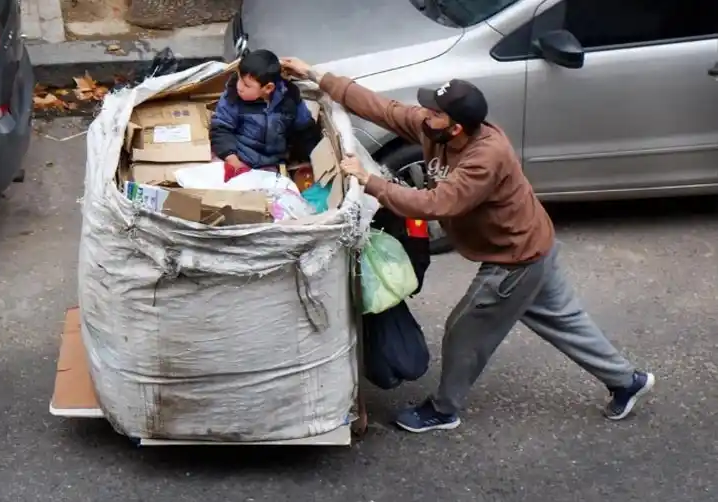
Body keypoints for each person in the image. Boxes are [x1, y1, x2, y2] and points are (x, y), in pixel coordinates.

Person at [281, 57, 655, 433]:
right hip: (534, 245)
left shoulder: (485, 157)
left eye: (434, 112)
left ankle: (444, 410)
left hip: (515, 259)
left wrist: (370, 181)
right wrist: (316, 75)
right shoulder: (436, 129)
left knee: (464, 332)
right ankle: (628, 381)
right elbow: (385, 109)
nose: (425, 115)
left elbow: (436, 204)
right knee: (566, 322)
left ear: (456, 127)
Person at [210, 50, 318, 179]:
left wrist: (312, 160)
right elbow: (221, 129)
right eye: (239, 79)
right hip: (239, 158)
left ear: (268, 88)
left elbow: (305, 131)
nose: (239, 86)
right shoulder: (232, 96)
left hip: (272, 165)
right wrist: (233, 160)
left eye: (246, 85)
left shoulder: (290, 98)